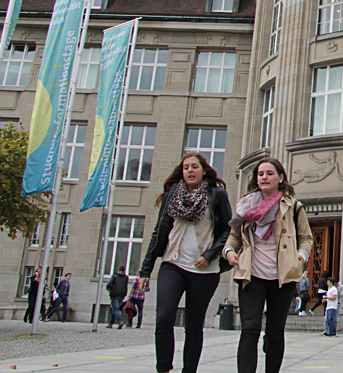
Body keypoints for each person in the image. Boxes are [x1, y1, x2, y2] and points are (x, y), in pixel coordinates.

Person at [139, 152, 233, 373]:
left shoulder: (216, 194)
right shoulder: (173, 194)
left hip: (205, 270)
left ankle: (189, 370)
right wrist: (145, 270)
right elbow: (159, 232)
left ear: (204, 170)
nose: (189, 171)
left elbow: (228, 229)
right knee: (163, 317)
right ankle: (163, 368)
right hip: (173, 264)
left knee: (193, 325)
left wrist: (209, 255)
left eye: (194, 167)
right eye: (185, 167)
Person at [224, 157, 313, 373]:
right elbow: (234, 235)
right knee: (250, 329)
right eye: (260, 173)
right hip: (251, 275)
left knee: (274, 332)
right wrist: (229, 251)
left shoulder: (293, 206)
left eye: (269, 173)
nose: (264, 177)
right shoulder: (246, 206)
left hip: (282, 278)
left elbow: (307, 238)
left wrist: (300, 258)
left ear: (280, 178)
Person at [106, 265, 129, 329]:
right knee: (114, 308)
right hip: (122, 294)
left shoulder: (114, 276)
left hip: (115, 294)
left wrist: (109, 288)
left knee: (115, 309)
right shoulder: (126, 277)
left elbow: (109, 284)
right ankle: (111, 323)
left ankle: (120, 321)